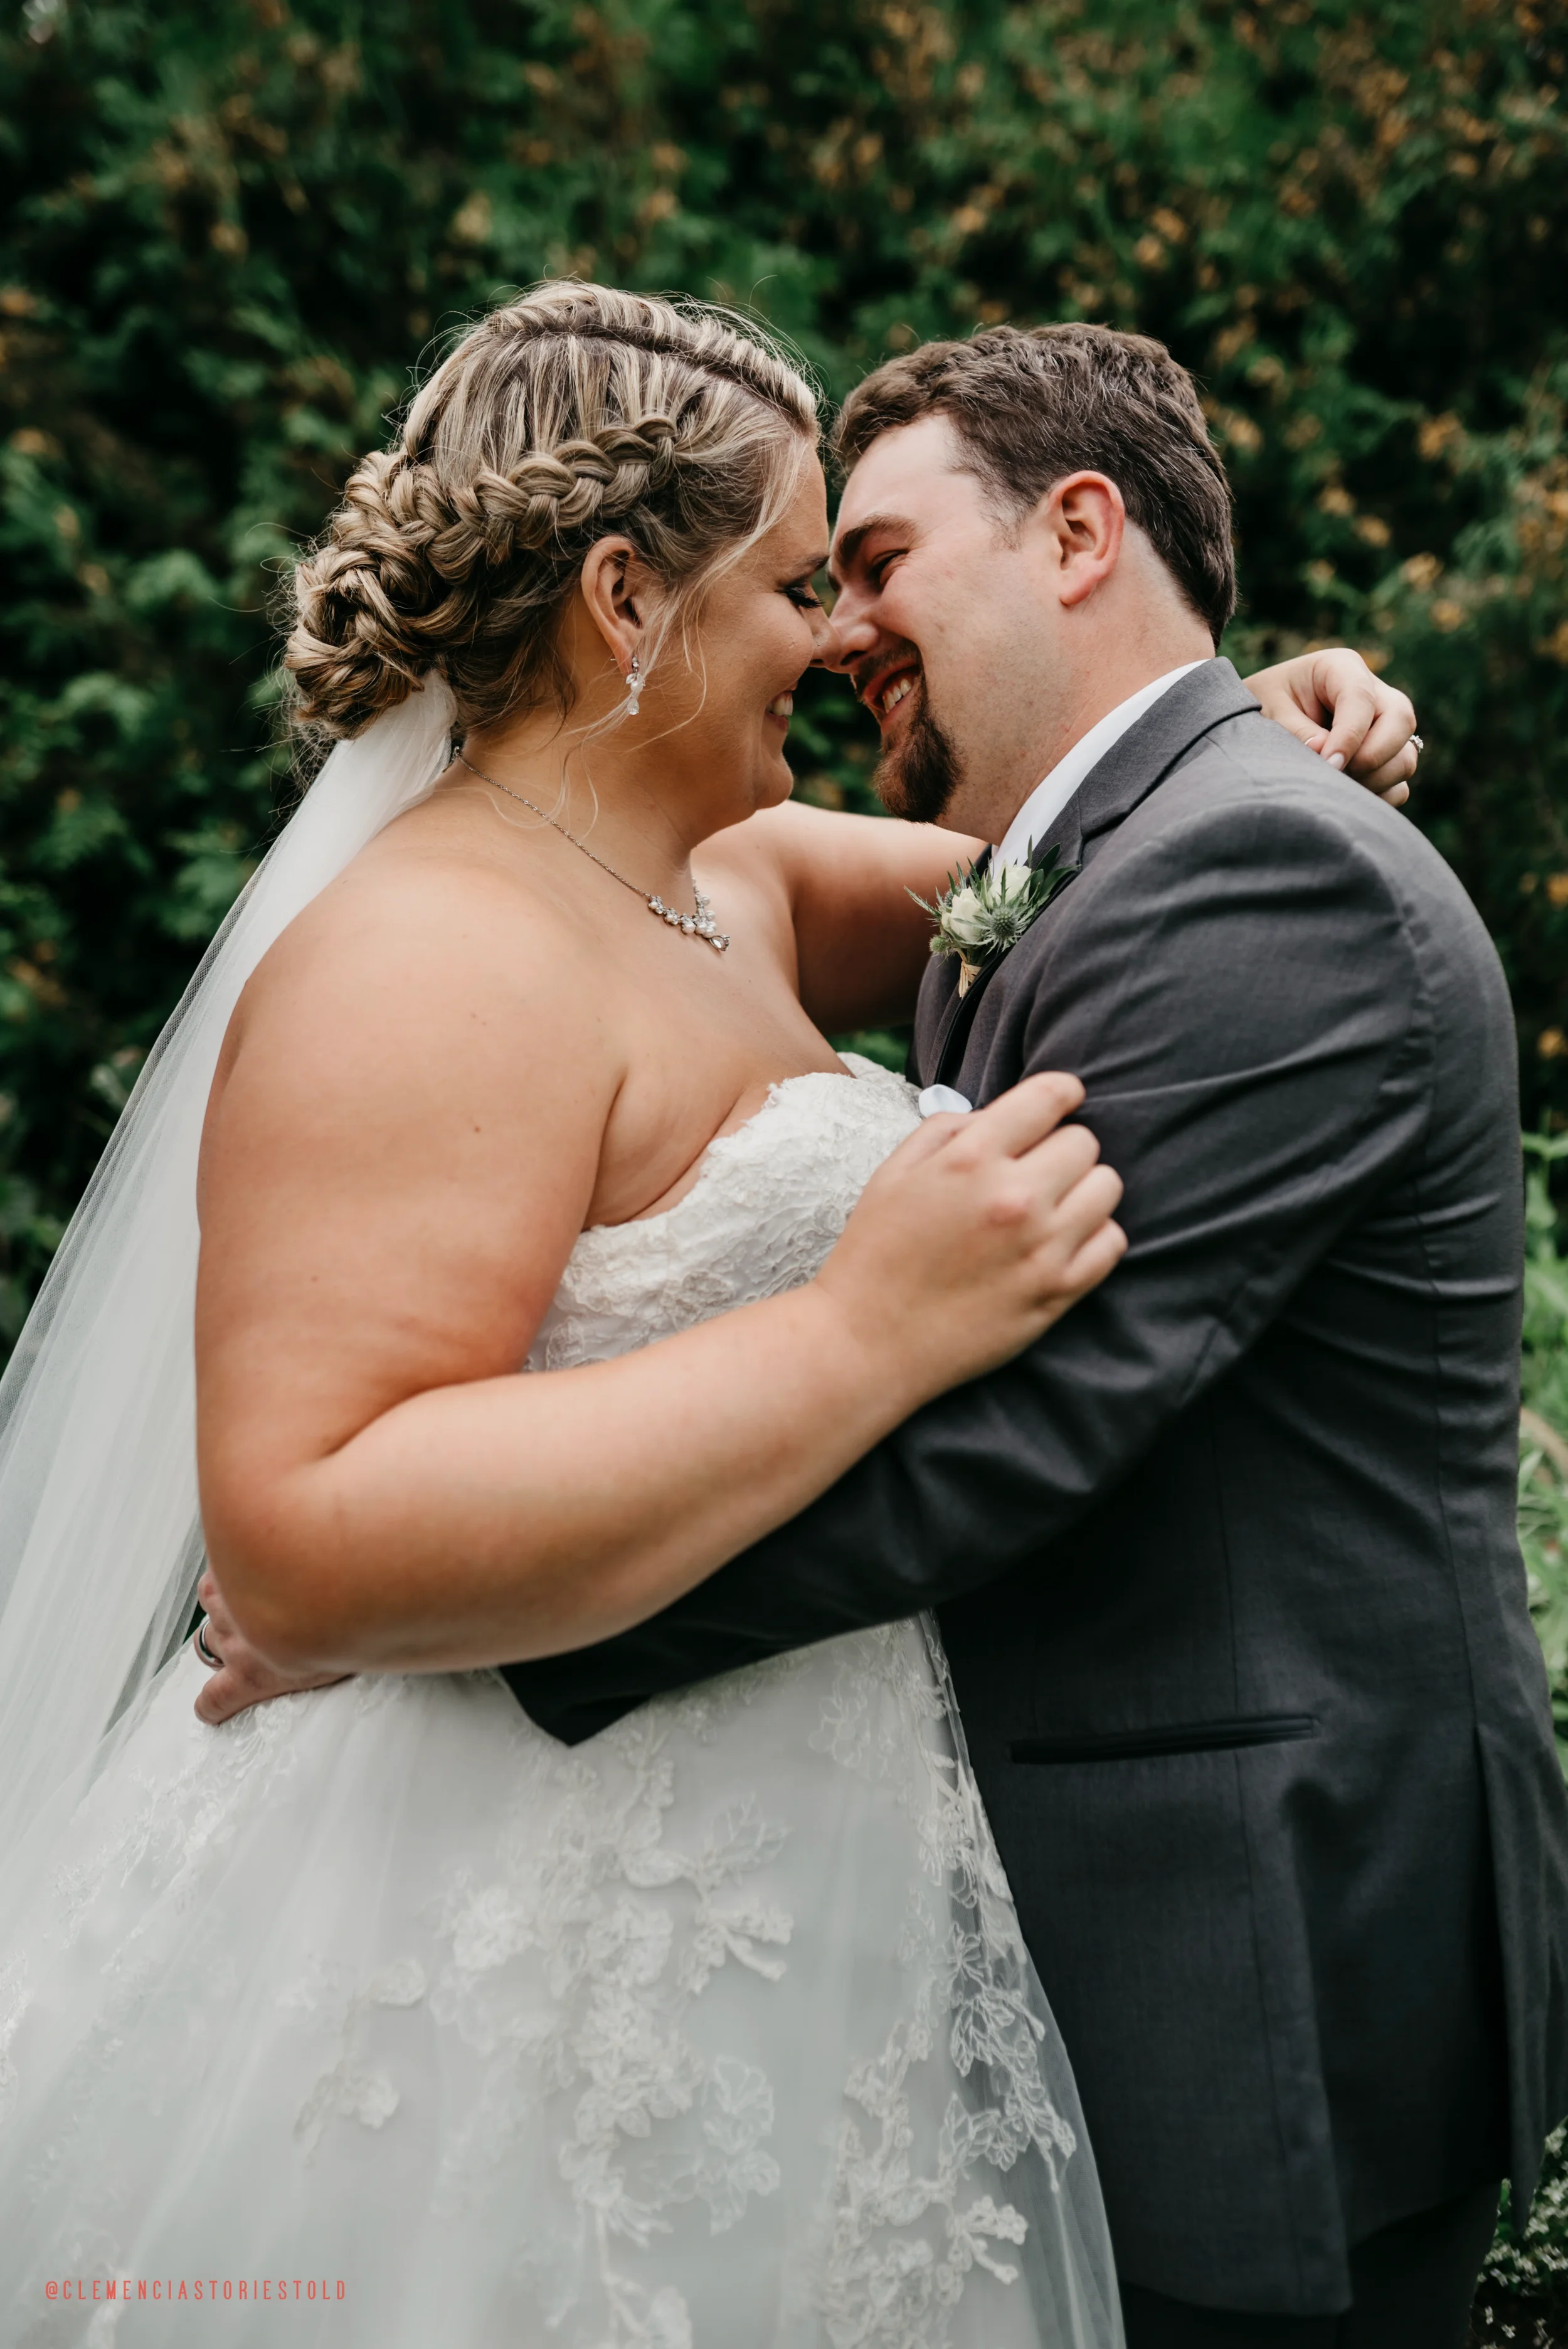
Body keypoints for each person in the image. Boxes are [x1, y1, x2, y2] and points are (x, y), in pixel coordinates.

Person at [0, 285, 1416, 2347]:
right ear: (620, 598)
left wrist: (1240, 705)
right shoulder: (426, 958)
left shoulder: (726, 875)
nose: (842, 638)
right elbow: (302, 1530)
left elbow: (1079, 847)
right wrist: (862, 1331)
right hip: (491, 1913)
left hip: (803, 1875)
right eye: (789, 581)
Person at [497, 322, 1568, 2346]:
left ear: (1077, 531)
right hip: (1131, 1905)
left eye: (877, 562)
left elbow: (1013, 1432)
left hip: (1257, 1935)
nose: (838, 635)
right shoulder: (1105, 849)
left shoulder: (1250, 866)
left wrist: (488, 1636)